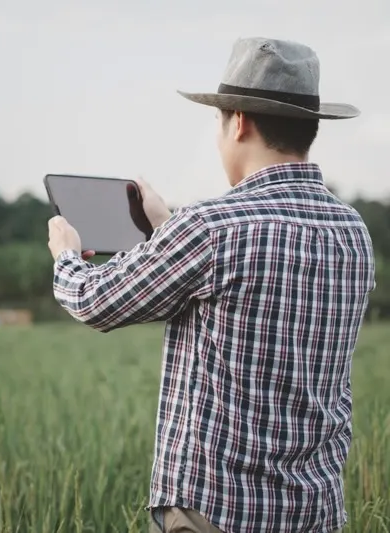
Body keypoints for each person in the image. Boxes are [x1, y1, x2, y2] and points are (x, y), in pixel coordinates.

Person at [46, 37, 375, 533]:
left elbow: (96, 302)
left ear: (238, 120)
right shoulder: (353, 231)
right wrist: (168, 227)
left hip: (216, 512)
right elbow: (244, 286)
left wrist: (66, 256)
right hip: (315, 512)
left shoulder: (211, 228)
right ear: (310, 128)